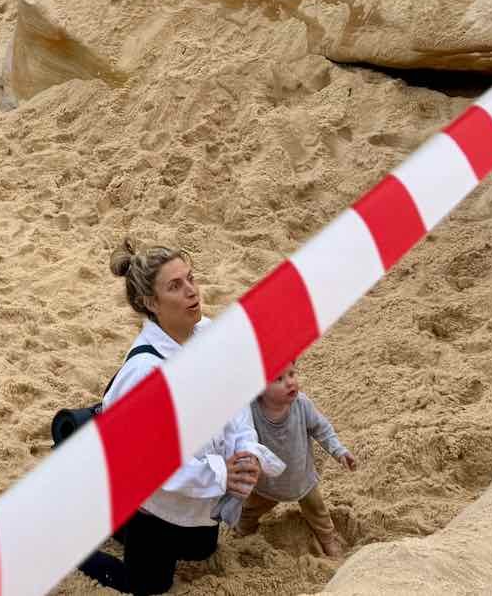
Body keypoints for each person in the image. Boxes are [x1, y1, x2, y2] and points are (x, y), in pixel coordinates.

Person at [77, 241, 270, 594]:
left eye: (191, 279)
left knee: (201, 548)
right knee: (149, 585)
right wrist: (223, 473)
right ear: (150, 303)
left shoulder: (209, 334)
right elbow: (151, 467)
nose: (192, 291)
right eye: (175, 286)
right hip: (151, 503)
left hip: (199, 496)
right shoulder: (144, 375)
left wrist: (247, 452)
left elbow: (237, 403)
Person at [234, 364, 355, 557]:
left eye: (292, 374)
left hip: (302, 479)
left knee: (318, 512)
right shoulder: (251, 412)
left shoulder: (302, 404)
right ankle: (242, 533)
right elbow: (240, 440)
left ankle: (328, 538)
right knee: (249, 512)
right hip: (266, 483)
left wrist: (339, 451)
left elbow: (321, 429)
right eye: (279, 379)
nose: (290, 382)